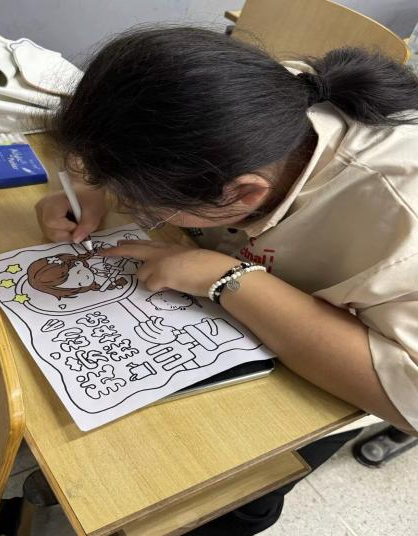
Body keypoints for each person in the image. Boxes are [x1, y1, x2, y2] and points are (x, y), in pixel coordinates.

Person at [35, 27, 418, 534]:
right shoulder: (259, 102)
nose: (133, 213)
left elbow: (409, 398)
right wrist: (93, 185)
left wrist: (228, 278)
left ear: (242, 194)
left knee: (223, 492)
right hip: (245, 307)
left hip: (323, 384)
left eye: (145, 208)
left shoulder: (401, 215)